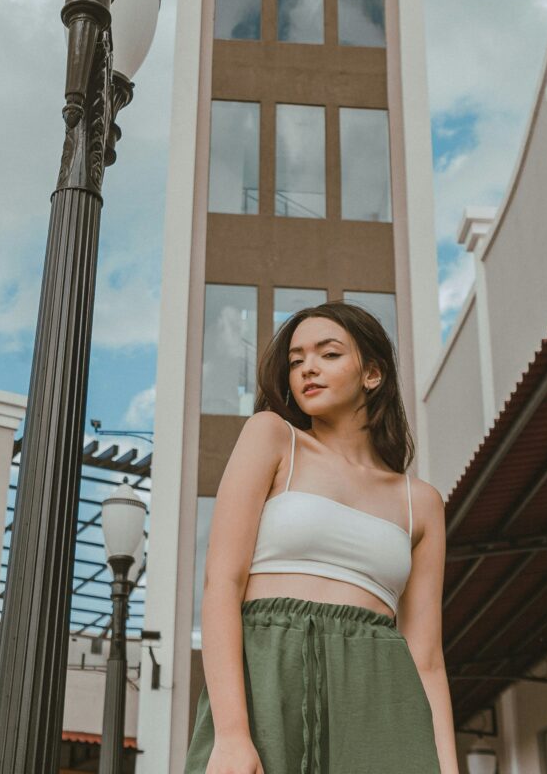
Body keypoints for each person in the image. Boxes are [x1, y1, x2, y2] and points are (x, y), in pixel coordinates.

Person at [184, 301, 459, 774]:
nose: (308, 367)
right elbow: (221, 584)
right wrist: (232, 735)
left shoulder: (422, 503)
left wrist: (449, 768)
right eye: (296, 360)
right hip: (269, 673)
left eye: (328, 354)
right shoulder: (272, 437)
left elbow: (427, 658)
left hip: (380, 694)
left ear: (372, 374)